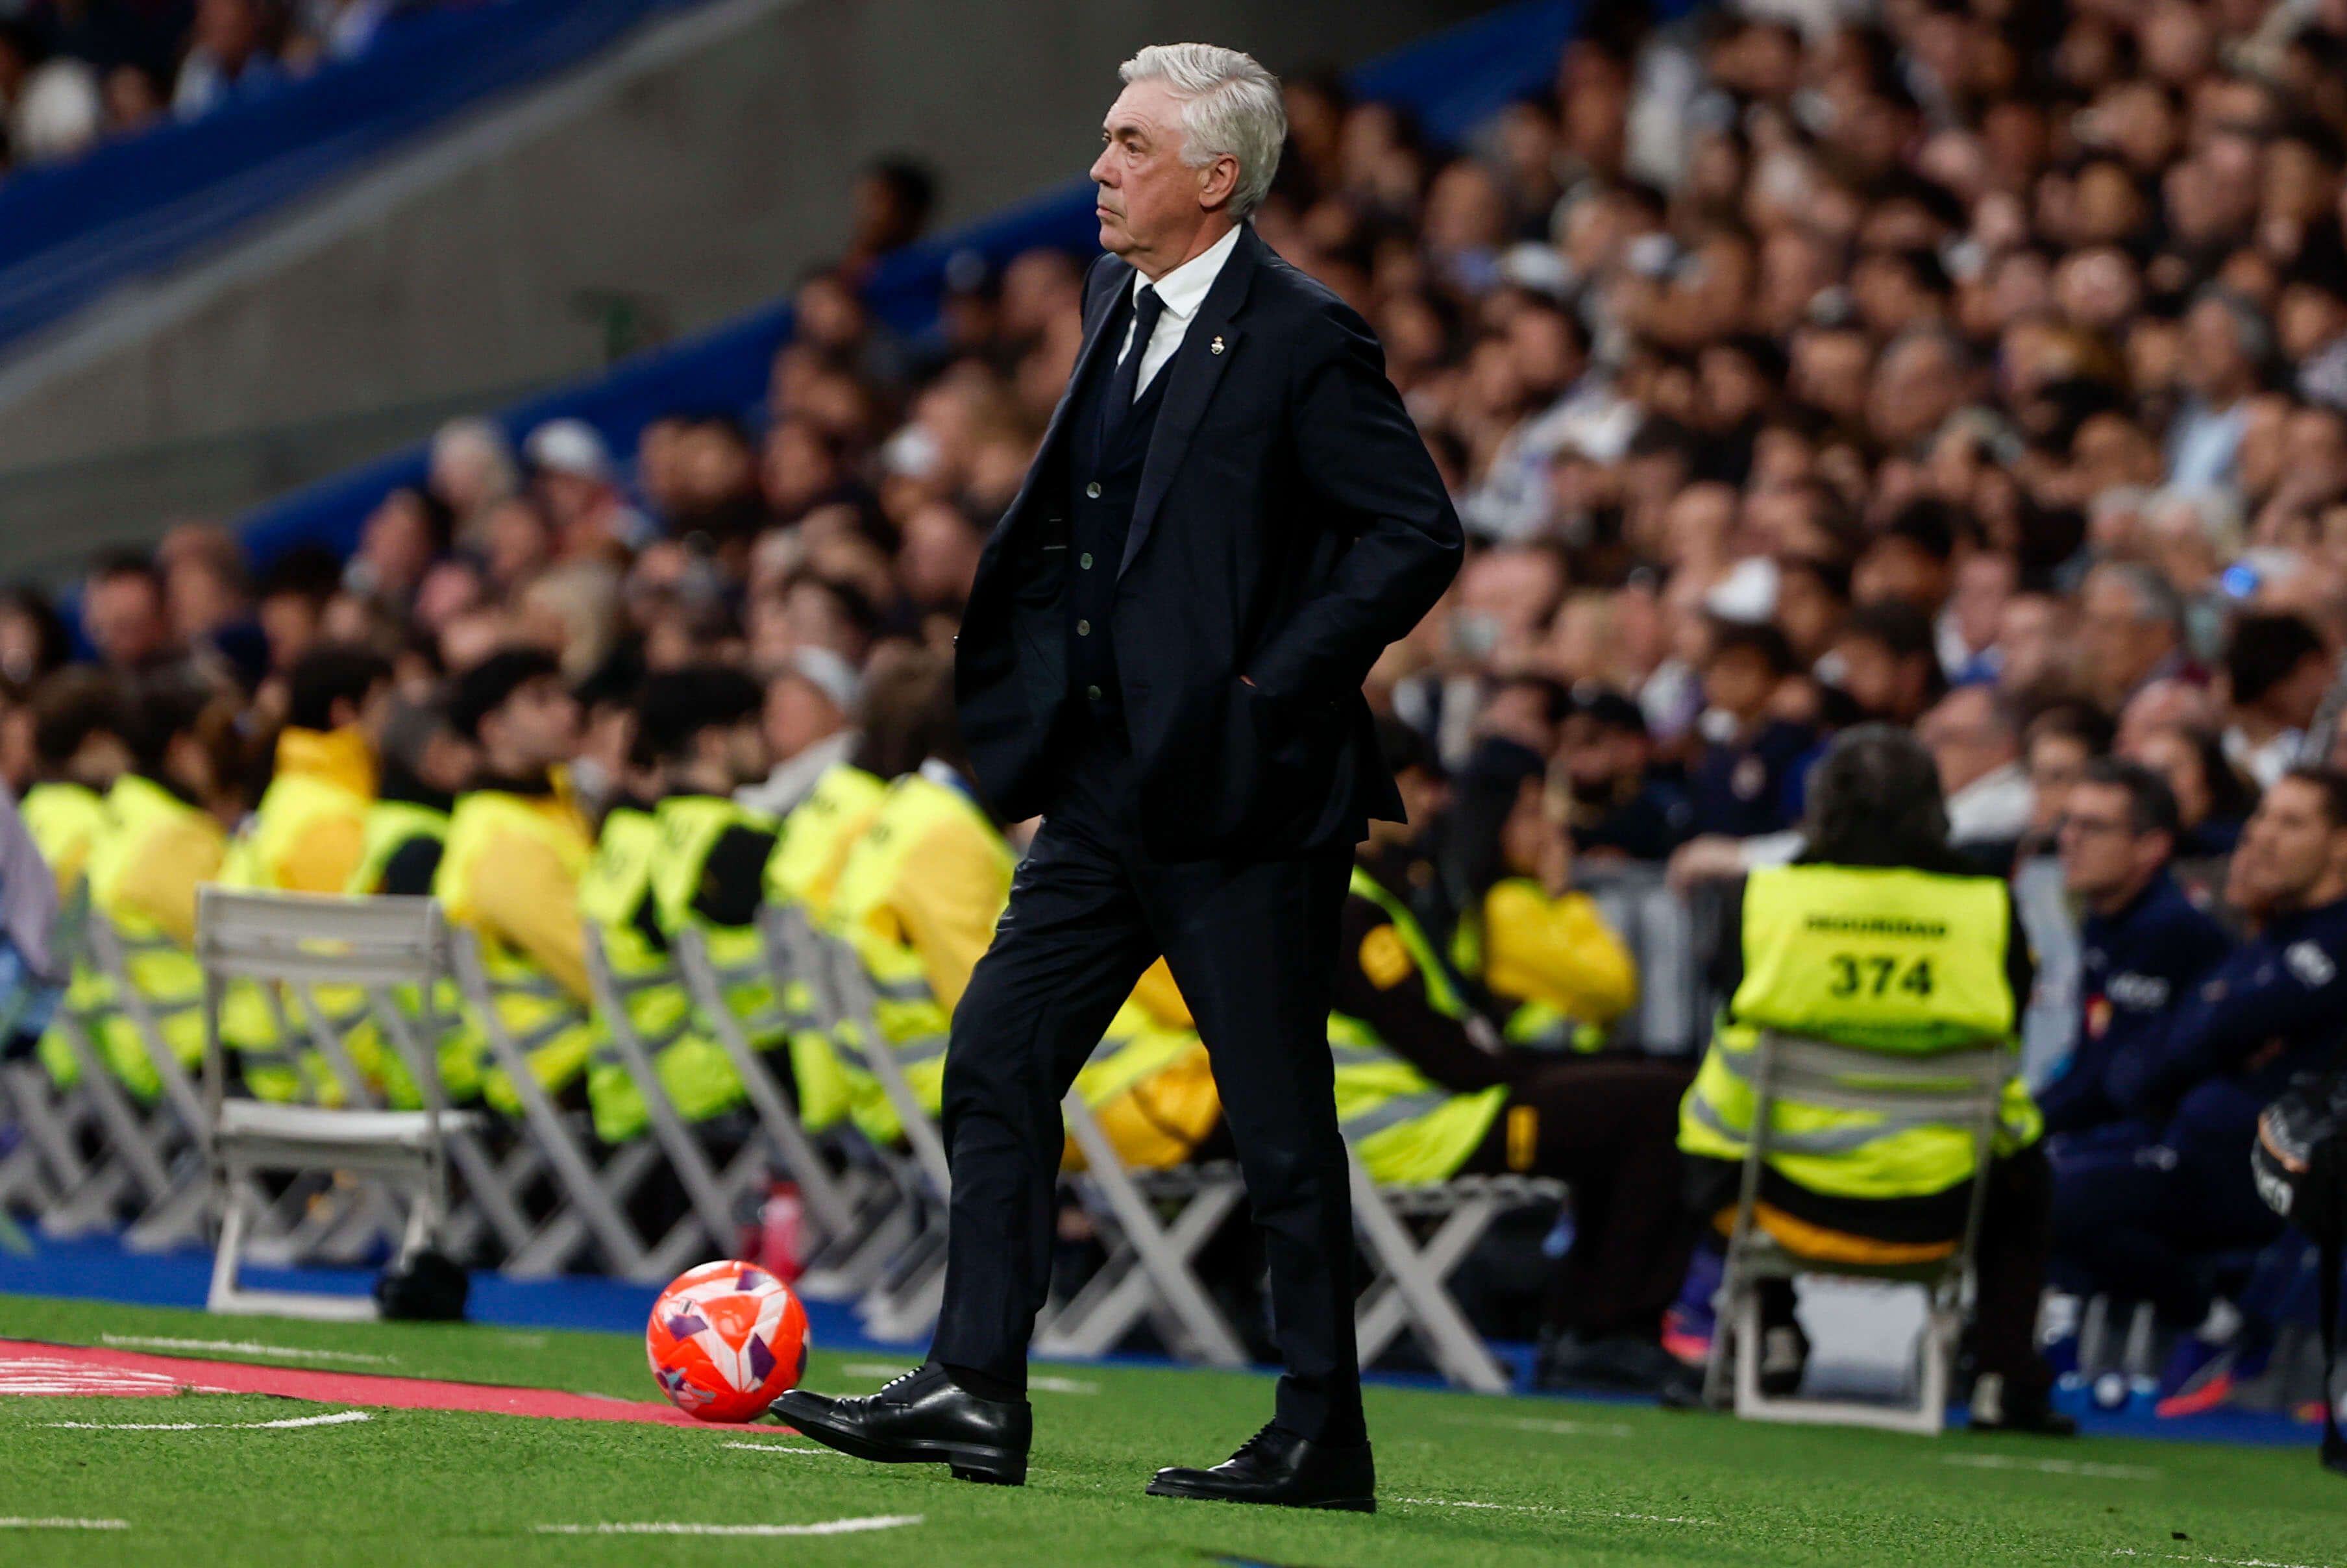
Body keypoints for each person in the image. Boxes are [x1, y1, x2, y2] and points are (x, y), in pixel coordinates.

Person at [779, 43, 1462, 1512]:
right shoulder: (1114, 297)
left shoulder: (1302, 334)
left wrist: (1271, 680)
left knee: (1277, 1126)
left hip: (1248, 797)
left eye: (1129, 144)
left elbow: (1412, 533)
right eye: (1106, 140)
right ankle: (974, 1386)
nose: (1097, 167)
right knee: (996, 1057)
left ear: (1214, 179)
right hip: (1104, 787)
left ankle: (1316, 1435)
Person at [1675, 726, 2071, 1434]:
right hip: (1944, 1203)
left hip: (1775, 1197)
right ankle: (2006, 1376)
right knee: (2028, 1166)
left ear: (1820, 804)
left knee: (1690, 1122)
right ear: (1934, 808)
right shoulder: (1988, 908)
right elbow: (2010, 1025)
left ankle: (1769, 1330)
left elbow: (1724, 1009)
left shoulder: (1761, 901)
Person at [1340, 719, 1691, 1391]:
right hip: (1416, 1135)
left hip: (1433, 1119)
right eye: (1414, 785)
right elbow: (1447, 1055)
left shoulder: (1374, 894)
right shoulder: (1349, 906)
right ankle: (1601, 1330)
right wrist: (1558, 1073)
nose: (1435, 802)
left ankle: (1587, 1325)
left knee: (1646, 1092)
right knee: (1658, 1105)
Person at [2056, 770, 2347, 1381]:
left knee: (2054, 1194)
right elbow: (2180, 1044)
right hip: (2185, 1146)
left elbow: (2214, 1030)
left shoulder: (2332, 943)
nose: (2262, 836)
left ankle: (2221, 1328)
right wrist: (2214, 1036)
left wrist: (2213, 1034)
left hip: (2263, 1173)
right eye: (2263, 816)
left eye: (2291, 823)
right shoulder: (2268, 938)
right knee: (2045, 1177)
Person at [36, 683, 231, 1101]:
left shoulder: (117, 828)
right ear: (182, 750)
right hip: (200, 1054)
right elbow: (251, 953)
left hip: (132, 1062)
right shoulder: (171, 838)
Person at [432, 649, 598, 1118]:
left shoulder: (553, 806)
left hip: (589, 1066)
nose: (569, 711)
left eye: (565, 696)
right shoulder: (502, 841)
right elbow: (594, 969)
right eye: (542, 701)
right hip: (560, 1075)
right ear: (494, 729)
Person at [2037, 761, 2230, 1141]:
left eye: (2092, 827)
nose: (2069, 839)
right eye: (2067, 822)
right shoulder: (2105, 914)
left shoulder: (2170, 930)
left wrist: (2021, 1127)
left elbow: (2113, 1077)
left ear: (2151, 847)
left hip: (2159, 1134)